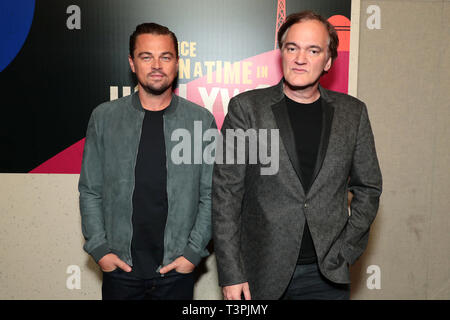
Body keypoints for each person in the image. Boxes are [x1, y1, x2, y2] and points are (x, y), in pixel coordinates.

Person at [212, 11, 382, 300]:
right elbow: (226, 195)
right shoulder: (247, 109)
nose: (300, 58)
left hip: (326, 276)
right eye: (292, 48)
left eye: (313, 50)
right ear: (281, 53)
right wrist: (231, 273)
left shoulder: (353, 113)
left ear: (328, 60)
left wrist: (346, 249)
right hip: (258, 274)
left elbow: (368, 187)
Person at [79, 23, 216, 300]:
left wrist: (192, 253)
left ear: (176, 63)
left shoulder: (201, 121)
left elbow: (211, 195)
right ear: (132, 63)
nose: (156, 65)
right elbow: (91, 190)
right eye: (146, 56)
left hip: (176, 271)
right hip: (120, 270)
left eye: (165, 57)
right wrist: (100, 249)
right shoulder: (104, 118)